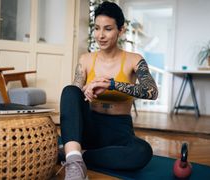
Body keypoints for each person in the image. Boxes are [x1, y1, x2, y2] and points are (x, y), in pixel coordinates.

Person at [59, 1, 158, 180]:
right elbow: (74, 94)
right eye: (97, 28)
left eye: (108, 29)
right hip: (89, 126)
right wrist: (86, 91)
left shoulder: (134, 60)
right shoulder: (86, 59)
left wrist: (112, 85)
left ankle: (77, 155)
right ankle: (75, 165)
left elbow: (152, 91)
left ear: (121, 30)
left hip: (119, 130)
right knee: (70, 91)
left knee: (142, 151)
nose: (100, 35)